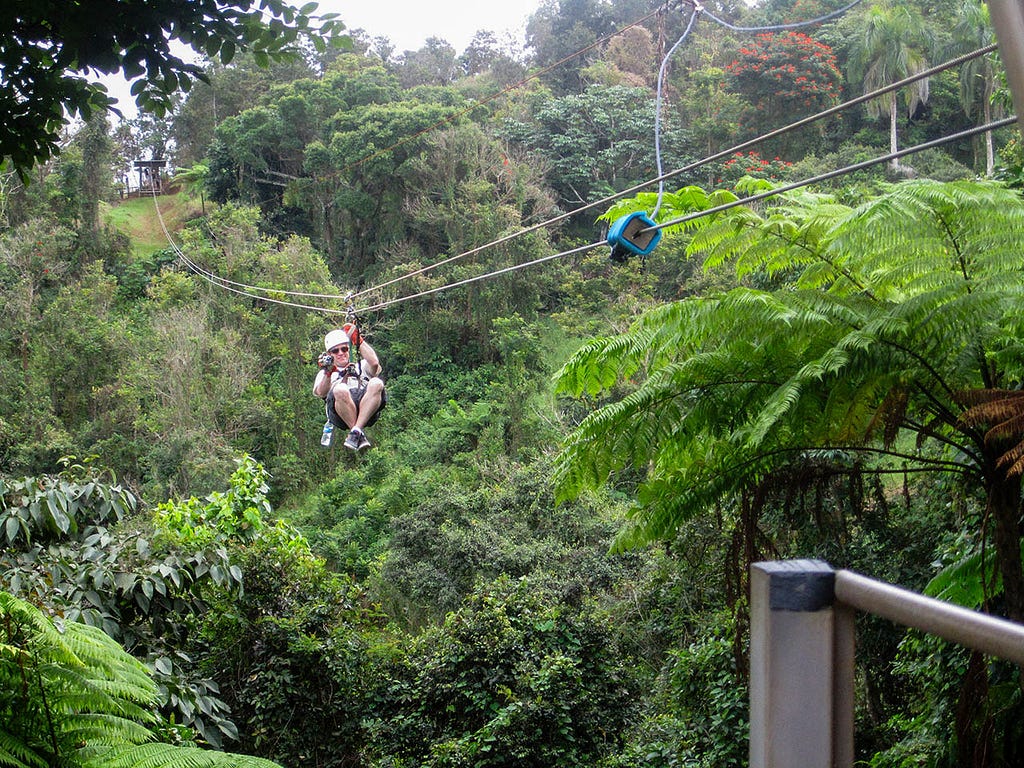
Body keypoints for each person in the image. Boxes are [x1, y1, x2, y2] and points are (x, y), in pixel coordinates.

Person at [313, 324, 386, 451]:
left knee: (377, 383)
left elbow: (374, 363)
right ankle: (356, 431)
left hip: (367, 408)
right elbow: (321, 392)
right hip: (340, 413)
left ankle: (356, 432)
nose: (341, 353)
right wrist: (328, 372)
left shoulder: (361, 366)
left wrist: (358, 340)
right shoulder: (326, 374)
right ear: (329, 354)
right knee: (340, 389)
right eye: (336, 351)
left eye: (344, 349)